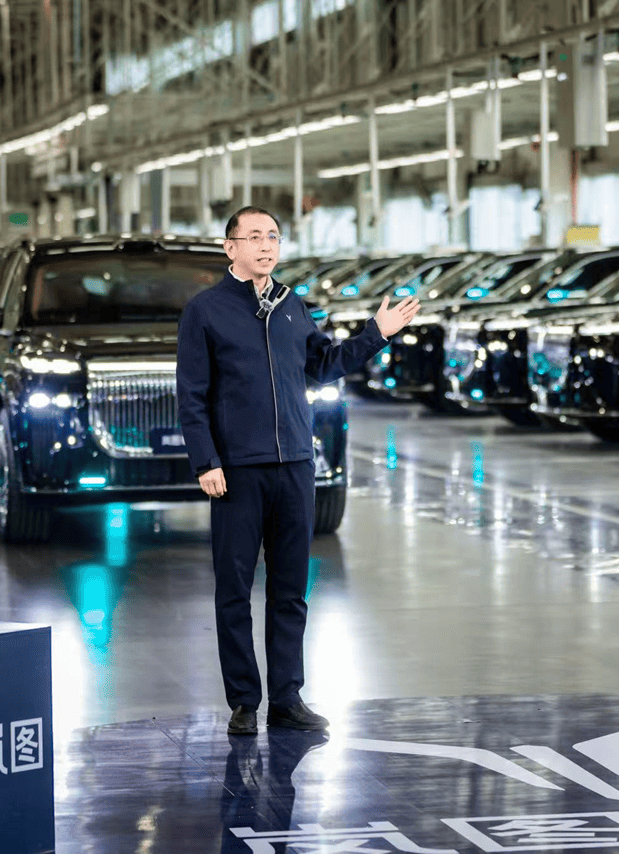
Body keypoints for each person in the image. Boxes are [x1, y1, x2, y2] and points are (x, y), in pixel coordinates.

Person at [177, 205, 420, 736]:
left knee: (290, 590)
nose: (266, 245)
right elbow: (191, 394)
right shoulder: (205, 311)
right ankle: (245, 701)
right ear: (230, 247)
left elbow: (324, 364)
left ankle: (287, 697)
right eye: (254, 237)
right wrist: (206, 460)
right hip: (238, 470)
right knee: (234, 590)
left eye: (273, 236)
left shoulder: (292, 306)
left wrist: (377, 332)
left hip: (294, 467)